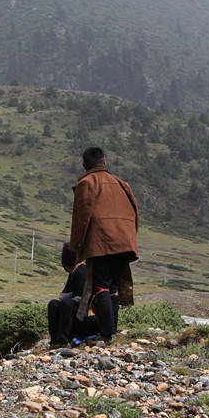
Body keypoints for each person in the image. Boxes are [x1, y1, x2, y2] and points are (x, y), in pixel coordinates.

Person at [69, 147, 139, 343]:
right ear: (105, 161)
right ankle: (112, 331)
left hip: (101, 242)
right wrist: (130, 238)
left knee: (101, 286)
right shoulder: (122, 184)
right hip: (125, 241)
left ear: (84, 165)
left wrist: (75, 247)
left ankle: (107, 334)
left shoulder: (86, 182)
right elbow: (135, 214)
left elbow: (81, 218)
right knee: (114, 286)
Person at [47, 244, 97, 348]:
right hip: (77, 311)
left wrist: (70, 301)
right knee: (53, 304)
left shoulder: (82, 271)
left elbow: (86, 298)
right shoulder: (75, 272)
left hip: (87, 317)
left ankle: (63, 340)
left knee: (66, 304)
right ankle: (55, 340)